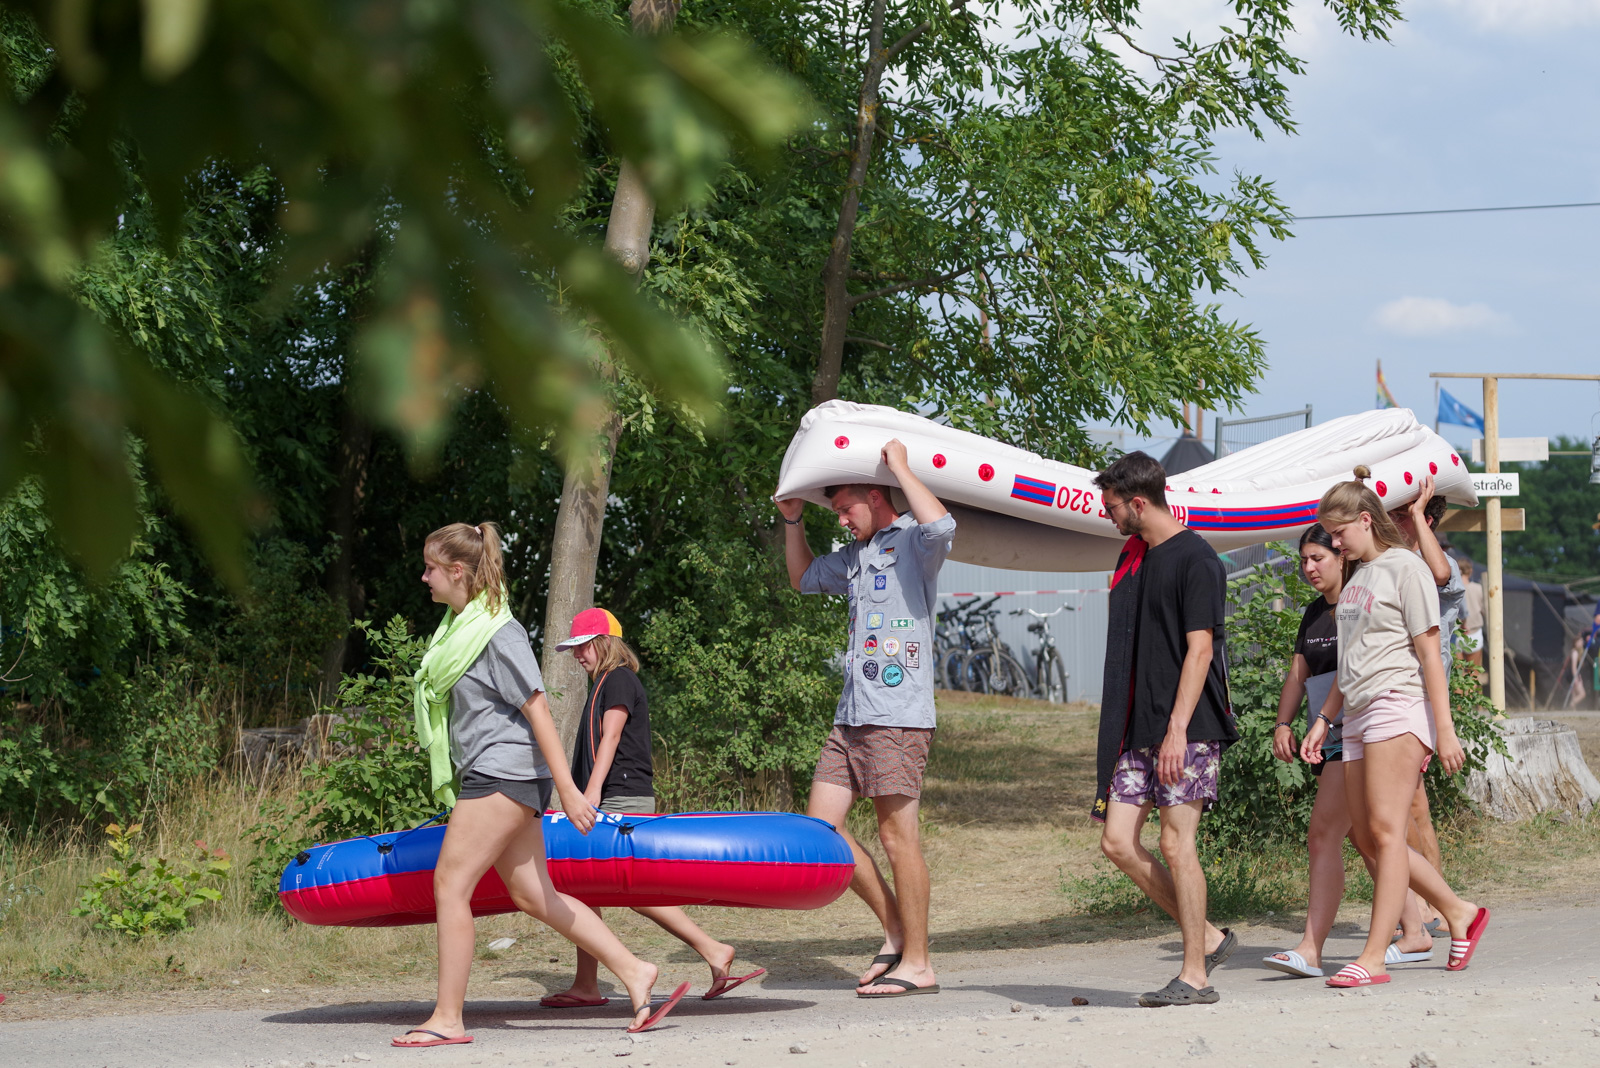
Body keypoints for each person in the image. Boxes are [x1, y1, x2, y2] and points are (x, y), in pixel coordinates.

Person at [394, 523, 689, 1047]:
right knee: (533, 894)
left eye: (431, 568)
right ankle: (635, 970)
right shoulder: (461, 630)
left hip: (502, 773)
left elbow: (539, 711)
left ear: (457, 571)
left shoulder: (497, 633)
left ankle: (448, 1018)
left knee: (450, 885)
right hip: (502, 772)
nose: (425, 577)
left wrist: (570, 792)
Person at [776, 439, 953, 998]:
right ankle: (897, 929)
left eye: (845, 509)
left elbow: (942, 526)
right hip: (851, 715)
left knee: (898, 837)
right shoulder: (855, 555)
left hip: (897, 717)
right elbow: (803, 577)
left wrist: (900, 466)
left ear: (874, 497)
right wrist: (793, 521)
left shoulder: (915, 543)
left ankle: (919, 963)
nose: (842, 520)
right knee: (821, 831)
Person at [1302, 469, 1489, 988]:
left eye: (1339, 532)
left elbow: (1430, 653)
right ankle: (1460, 912)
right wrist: (1323, 721)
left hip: (1397, 706)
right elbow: (1350, 662)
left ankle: (1374, 957)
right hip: (1356, 714)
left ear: (1366, 520)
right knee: (1366, 835)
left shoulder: (1406, 567)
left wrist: (1444, 730)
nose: (1334, 543)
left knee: (1385, 833)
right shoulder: (1358, 577)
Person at [539, 607, 765, 1007]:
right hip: (610, 793)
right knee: (588, 887)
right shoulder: (603, 683)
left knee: (632, 890)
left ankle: (713, 950)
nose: (577, 654)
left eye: (583, 646)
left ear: (604, 642)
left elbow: (611, 737)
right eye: (574, 648)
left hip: (621, 795)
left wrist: (591, 792)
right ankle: (588, 984)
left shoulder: (619, 679)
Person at [1090, 451, 1239, 1007]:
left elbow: (1201, 651)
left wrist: (1177, 730)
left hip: (1188, 728)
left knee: (1176, 844)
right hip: (1138, 728)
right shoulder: (1137, 558)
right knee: (1117, 841)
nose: (1108, 516)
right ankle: (1210, 937)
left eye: (1112, 507)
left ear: (1138, 503)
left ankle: (1195, 975)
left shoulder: (1197, 559)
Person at [1263, 525, 1432, 978]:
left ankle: (1311, 948)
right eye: (1303, 560)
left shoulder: (1365, 601)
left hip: (1362, 726)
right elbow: (1298, 675)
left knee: (1329, 834)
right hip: (1330, 734)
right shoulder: (1314, 613)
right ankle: (1428, 923)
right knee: (1367, 837)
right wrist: (1284, 723)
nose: (1309, 568)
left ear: (1342, 556)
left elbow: (1405, 656)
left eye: (1317, 557)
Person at [1387, 480, 1461, 934]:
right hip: (1392, 698)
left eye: (1401, 515)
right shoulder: (1387, 564)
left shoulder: (1434, 565)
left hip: (1421, 700)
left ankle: (1433, 905)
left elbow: (1440, 574)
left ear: (1426, 520)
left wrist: (1415, 514)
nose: (1392, 522)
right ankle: (1428, 903)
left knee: (1412, 807)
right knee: (1411, 805)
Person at [1459, 556, 1485, 669]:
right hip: (1474, 632)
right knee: (1473, 673)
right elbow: (1484, 611)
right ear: (1470, 571)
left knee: (1457, 674)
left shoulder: (1453, 589)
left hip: (1457, 633)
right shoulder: (1478, 588)